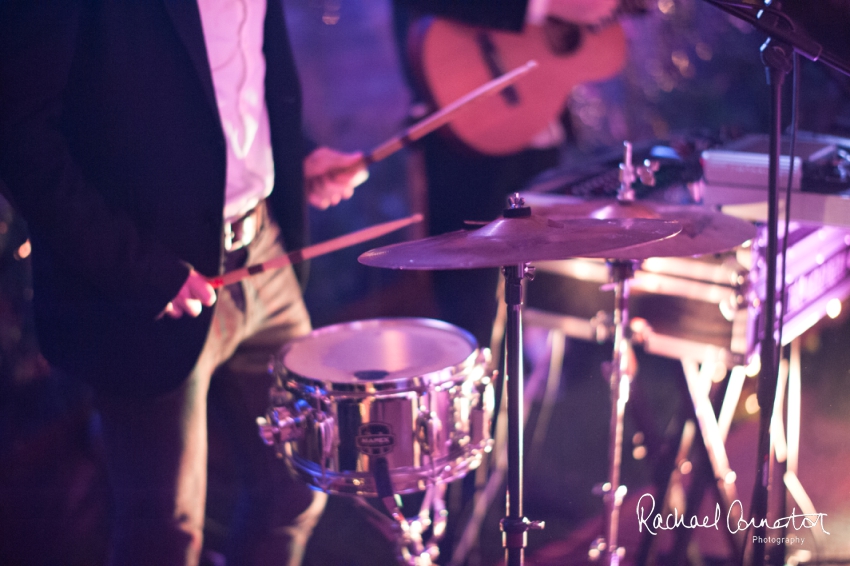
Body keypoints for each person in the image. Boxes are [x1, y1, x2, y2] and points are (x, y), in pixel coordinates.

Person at [0, 1, 375, 565]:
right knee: (164, 534)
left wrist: (292, 158)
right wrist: (135, 268)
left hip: (263, 250)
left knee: (296, 486)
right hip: (147, 277)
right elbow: (21, 140)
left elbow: (228, 88)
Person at [393, 0, 619, 351]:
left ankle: (536, 393)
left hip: (542, 126)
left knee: (547, 297)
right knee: (469, 308)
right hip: (468, 127)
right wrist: (545, 7)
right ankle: (473, 399)